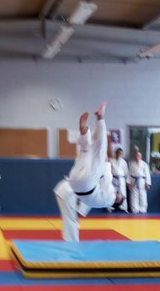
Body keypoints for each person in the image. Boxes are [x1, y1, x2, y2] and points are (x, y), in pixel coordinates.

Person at [54, 103, 115, 242]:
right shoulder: (104, 198)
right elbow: (105, 181)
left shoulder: (110, 198)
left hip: (81, 183)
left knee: (95, 148)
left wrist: (106, 164)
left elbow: (107, 179)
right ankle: (85, 131)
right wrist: (105, 165)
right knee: (86, 151)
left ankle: (97, 121)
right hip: (76, 183)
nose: (118, 195)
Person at [126, 148, 151, 214]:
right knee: (134, 195)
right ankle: (135, 209)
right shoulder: (131, 164)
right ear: (134, 156)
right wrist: (128, 183)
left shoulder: (144, 164)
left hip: (142, 181)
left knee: (143, 195)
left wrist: (147, 183)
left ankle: (143, 209)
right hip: (133, 181)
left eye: (138, 156)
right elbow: (129, 173)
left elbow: (147, 174)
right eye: (136, 156)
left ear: (141, 157)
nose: (137, 157)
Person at [109, 147, 129, 212]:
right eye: (118, 153)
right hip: (114, 178)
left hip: (121, 179)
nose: (119, 154)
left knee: (123, 193)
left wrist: (127, 181)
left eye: (120, 153)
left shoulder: (124, 162)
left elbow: (126, 172)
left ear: (122, 154)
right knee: (112, 193)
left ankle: (124, 207)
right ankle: (110, 206)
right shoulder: (111, 160)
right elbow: (108, 170)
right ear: (115, 153)